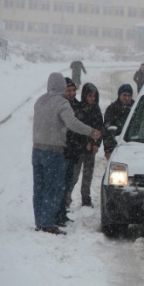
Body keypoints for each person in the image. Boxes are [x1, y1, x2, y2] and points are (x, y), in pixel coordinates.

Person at [32, 72, 101, 235]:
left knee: (39, 187)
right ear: (61, 86)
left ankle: (40, 221)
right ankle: (48, 223)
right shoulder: (62, 103)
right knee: (54, 187)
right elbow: (72, 123)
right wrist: (91, 131)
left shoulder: (39, 100)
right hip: (54, 151)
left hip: (37, 150)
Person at [70, 82, 104, 207]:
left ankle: (86, 198)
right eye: (89, 96)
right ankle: (67, 199)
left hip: (91, 149)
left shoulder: (96, 109)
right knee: (74, 175)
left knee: (88, 176)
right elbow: (77, 129)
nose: (92, 99)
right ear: (85, 95)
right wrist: (85, 143)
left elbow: (100, 128)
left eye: (94, 96)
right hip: (78, 149)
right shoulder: (78, 109)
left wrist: (96, 144)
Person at [56, 77, 83, 226]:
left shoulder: (78, 106)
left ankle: (62, 212)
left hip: (74, 152)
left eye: (73, 90)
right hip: (61, 151)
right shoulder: (60, 105)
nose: (72, 93)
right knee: (60, 185)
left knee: (68, 183)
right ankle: (58, 213)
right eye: (68, 90)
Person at [103, 83, 135, 159]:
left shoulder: (135, 108)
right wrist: (108, 149)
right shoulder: (111, 109)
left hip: (132, 145)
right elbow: (107, 130)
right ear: (119, 95)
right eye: (124, 95)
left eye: (129, 96)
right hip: (115, 146)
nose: (126, 98)